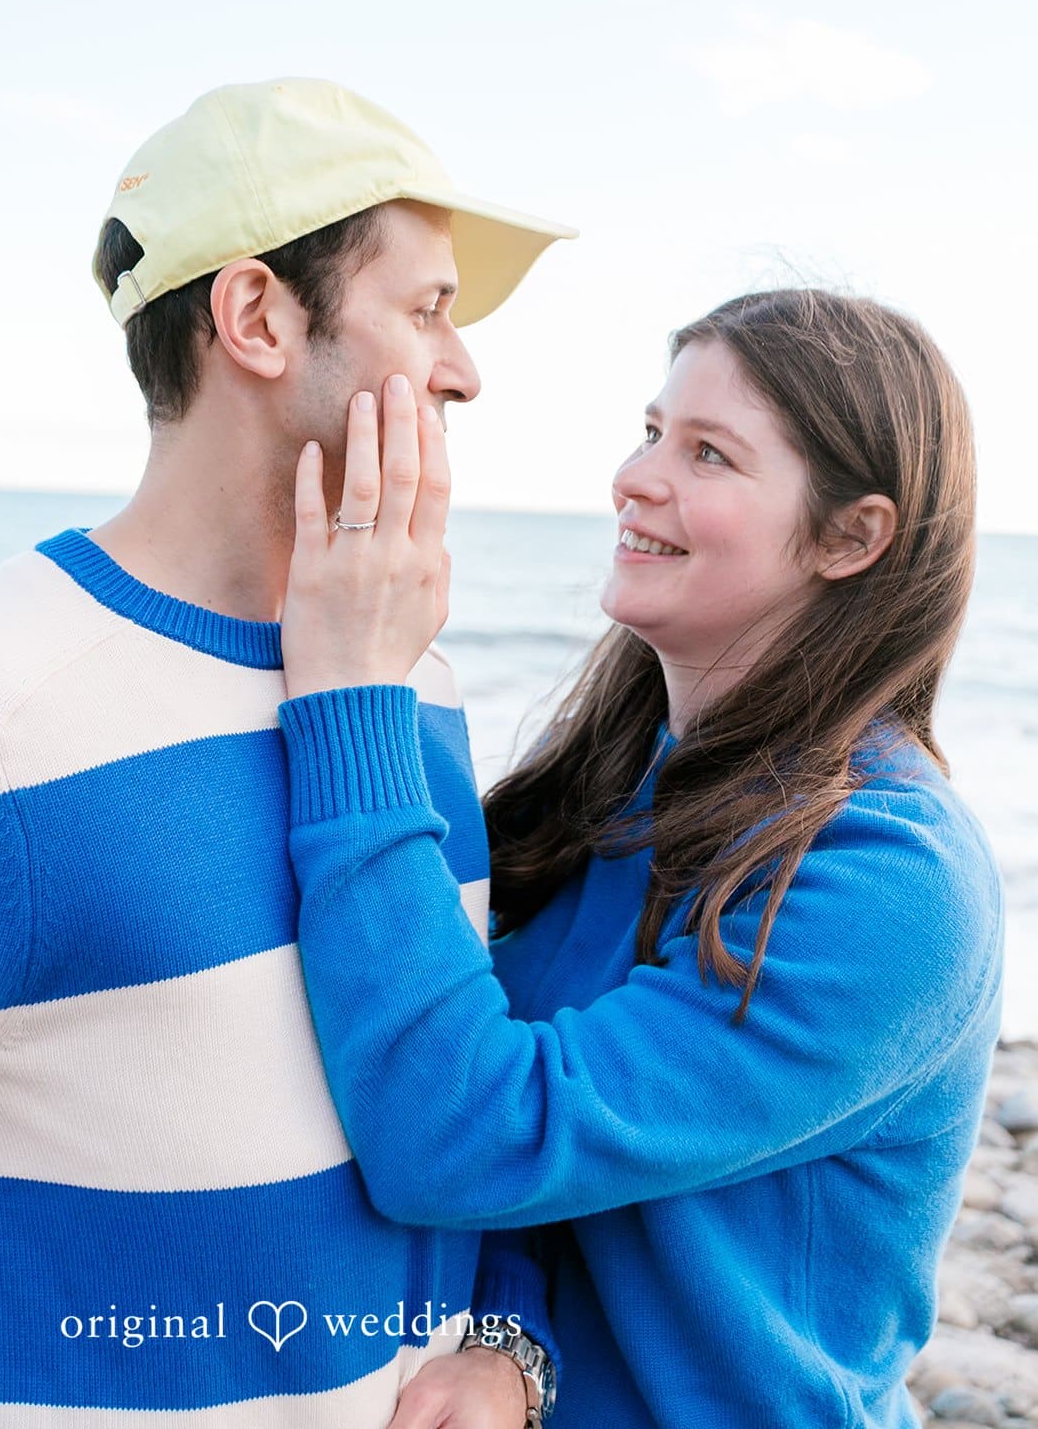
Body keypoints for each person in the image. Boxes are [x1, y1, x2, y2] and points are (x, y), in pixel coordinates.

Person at [274, 287, 1005, 1428]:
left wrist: (354, 698)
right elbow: (540, 1118)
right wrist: (516, 1336)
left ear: (849, 536)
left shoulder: (891, 879)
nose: (635, 474)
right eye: (652, 428)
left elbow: (470, 1137)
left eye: (707, 453)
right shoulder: (620, 782)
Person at [0, 76, 576, 1427]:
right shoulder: (1, 709)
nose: (464, 369)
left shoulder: (403, 676)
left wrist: (500, 1343)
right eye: (426, 310)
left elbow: (427, 1101)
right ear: (255, 318)